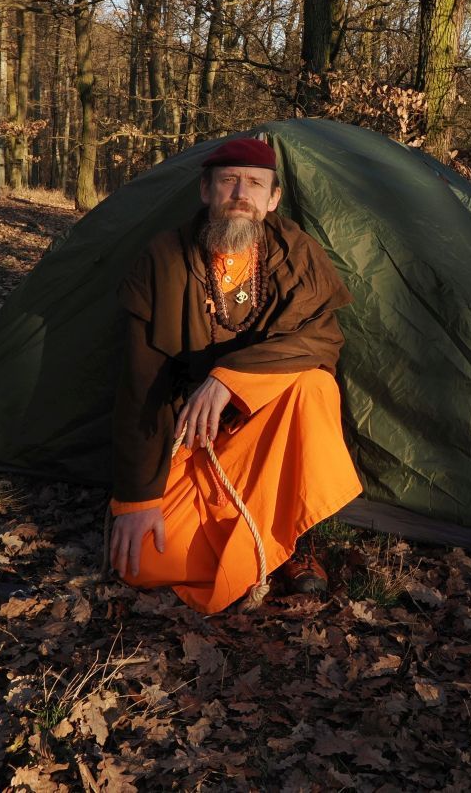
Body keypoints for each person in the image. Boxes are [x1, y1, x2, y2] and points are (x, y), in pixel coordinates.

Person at [106, 136, 363, 612]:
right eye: (229, 181)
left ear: (273, 199)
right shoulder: (164, 258)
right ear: (206, 191)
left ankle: (294, 542)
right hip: (197, 441)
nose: (241, 194)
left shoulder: (297, 255)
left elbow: (323, 342)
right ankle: (250, 548)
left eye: (255, 184)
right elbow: (140, 385)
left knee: (314, 385)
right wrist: (135, 502)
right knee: (140, 563)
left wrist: (229, 377)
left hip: (272, 433)